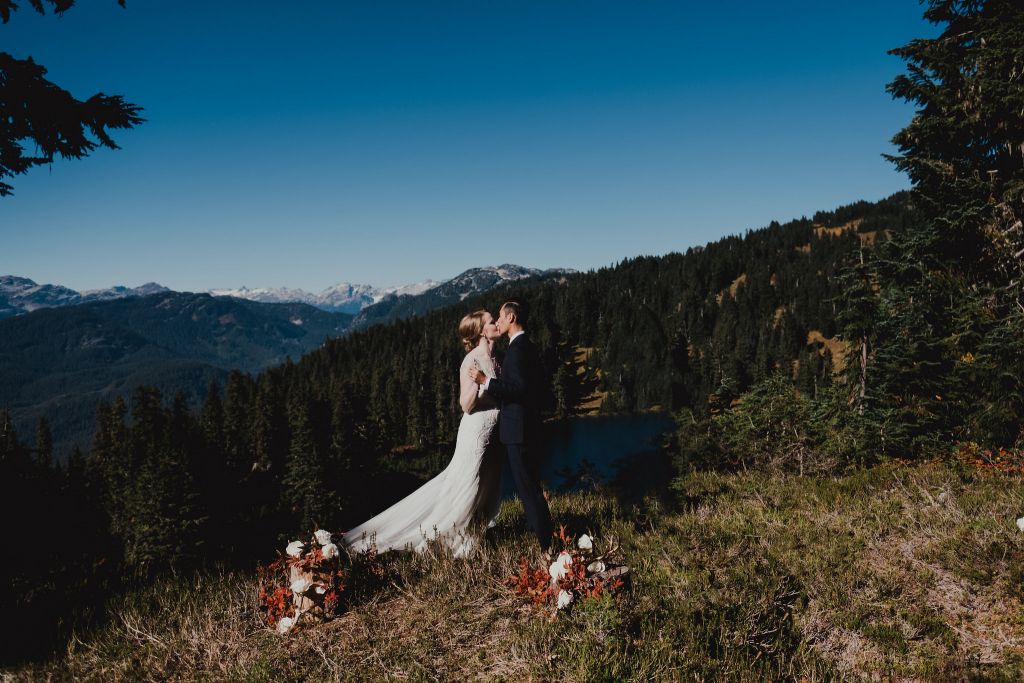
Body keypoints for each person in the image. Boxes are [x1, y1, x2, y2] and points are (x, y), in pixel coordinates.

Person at [342, 310, 503, 557]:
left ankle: (476, 533)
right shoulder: (472, 360)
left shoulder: (495, 357)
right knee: (467, 483)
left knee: (487, 484)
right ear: (482, 331)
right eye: (492, 322)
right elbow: (466, 404)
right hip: (477, 432)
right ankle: (451, 536)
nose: (497, 324)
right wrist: (481, 384)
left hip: (493, 434)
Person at [468, 301, 553, 551]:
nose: (498, 322)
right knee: (531, 485)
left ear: (512, 317)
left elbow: (519, 390)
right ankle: (539, 531)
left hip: (518, 431)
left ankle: (546, 544)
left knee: (528, 489)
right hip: (529, 426)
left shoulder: (516, 351)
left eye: (501, 318)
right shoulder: (527, 346)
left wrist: (486, 381)